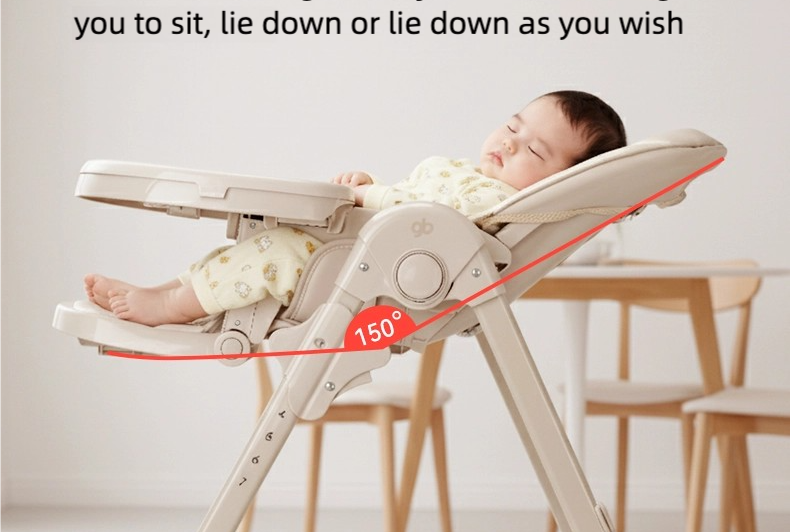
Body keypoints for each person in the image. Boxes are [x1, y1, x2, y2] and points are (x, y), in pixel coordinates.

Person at [84, 90, 625, 326]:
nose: (508, 142)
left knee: (274, 251)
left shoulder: (498, 201)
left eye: (534, 150)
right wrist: (373, 187)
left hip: (366, 276)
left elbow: (429, 219)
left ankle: (172, 305)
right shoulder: (469, 174)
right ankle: (168, 291)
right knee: (258, 243)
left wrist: (372, 197)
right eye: (512, 126)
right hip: (359, 250)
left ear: (561, 181)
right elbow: (414, 199)